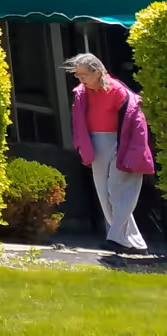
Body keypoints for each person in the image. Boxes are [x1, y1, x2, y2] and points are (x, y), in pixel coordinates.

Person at [66, 52, 155, 253]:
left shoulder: (117, 91)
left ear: (97, 72)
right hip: (96, 143)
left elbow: (135, 122)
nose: (80, 80)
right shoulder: (82, 93)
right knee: (104, 194)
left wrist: (134, 151)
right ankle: (134, 242)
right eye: (78, 76)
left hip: (119, 142)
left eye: (83, 75)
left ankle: (115, 238)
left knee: (117, 191)